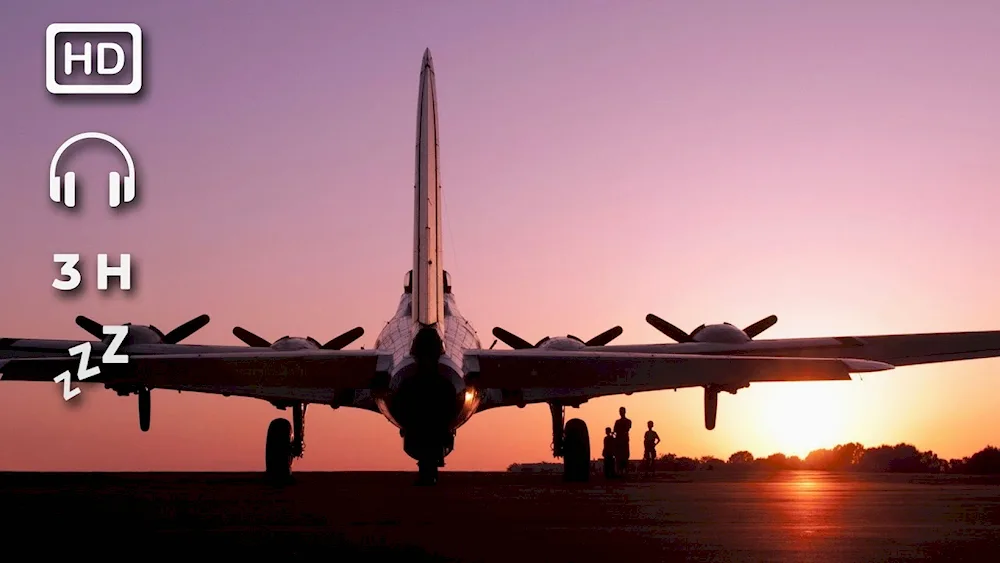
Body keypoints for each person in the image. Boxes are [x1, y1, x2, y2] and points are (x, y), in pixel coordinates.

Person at [613, 407, 632, 475]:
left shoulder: (628, 421)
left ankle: (624, 471)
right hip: (618, 441)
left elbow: (627, 429)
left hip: (624, 441)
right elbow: (615, 431)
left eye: (622, 411)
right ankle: (619, 471)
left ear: (625, 412)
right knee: (618, 456)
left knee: (625, 456)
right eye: (620, 411)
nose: (621, 413)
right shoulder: (617, 421)